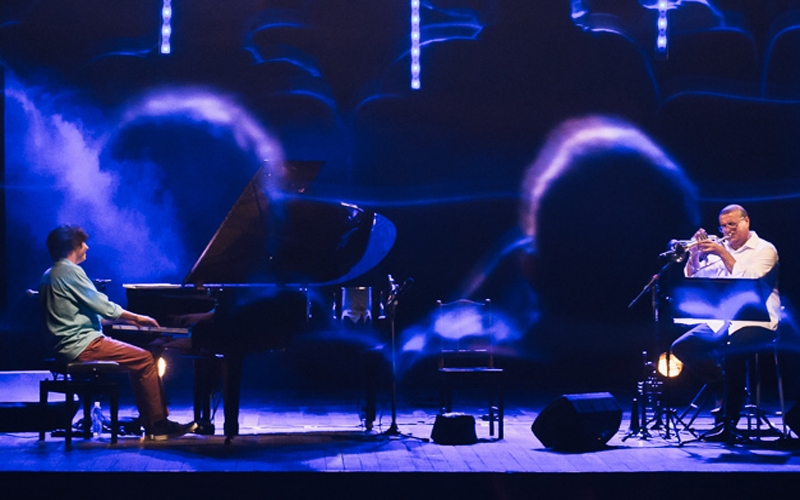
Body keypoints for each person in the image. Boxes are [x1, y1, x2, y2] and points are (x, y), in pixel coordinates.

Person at [39, 224, 197, 441]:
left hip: (67, 344)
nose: (87, 247)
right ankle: (158, 424)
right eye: (83, 243)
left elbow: (79, 314)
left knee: (139, 361)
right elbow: (102, 305)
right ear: (74, 245)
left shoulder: (50, 274)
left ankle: (152, 421)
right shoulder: (70, 271)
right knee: (145, 358)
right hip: (81, 345)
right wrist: (137, 318)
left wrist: (118, 321)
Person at [671, 204, 780, 439]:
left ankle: (729, 422)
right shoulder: (724, 249)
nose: (727, 230)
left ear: (746, 222)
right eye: (723, 226)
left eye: (732, 224)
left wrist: (722, 253)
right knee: (682, 346)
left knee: (733, 351)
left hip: (758, 321)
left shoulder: (765, 249)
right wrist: (695, 255)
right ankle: (724, 385)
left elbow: (748, 279)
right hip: (723, 320)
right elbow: (696, 278)